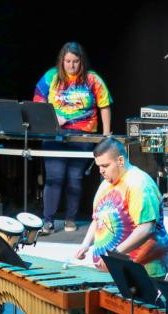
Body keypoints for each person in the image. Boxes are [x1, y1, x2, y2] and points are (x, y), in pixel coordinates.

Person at [34, 42, 112, 233]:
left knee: (74, 178)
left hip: (82, 135)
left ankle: (70, 218)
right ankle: (48, 220)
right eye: (68, 61)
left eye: (75, 61)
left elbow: (104, 105)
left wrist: (106, 134)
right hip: (55, 135)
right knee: (54, 177)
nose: (71, 65)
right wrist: (52, 117)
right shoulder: (51, 77)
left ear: (81, 62)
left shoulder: (92, 79)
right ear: (62, 61)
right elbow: (37, 102)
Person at [75, 137, 168, 278]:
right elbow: (98, 220)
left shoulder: (139, 184)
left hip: (142, 273)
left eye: (105, 166)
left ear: (120, 161)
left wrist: (114, 256)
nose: (101, 171)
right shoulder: (106, 184)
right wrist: (85, 244)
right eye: (98, 166)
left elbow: (147, 228)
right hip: (113, 272)